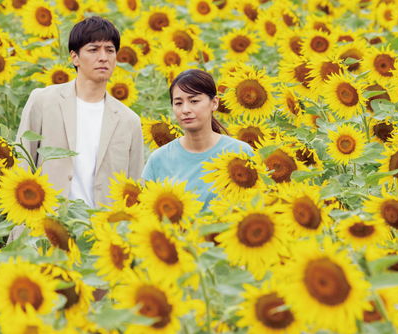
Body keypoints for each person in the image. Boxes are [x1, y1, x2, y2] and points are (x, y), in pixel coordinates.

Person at [16, 16, 145, 208]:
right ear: (74, 57)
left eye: (110, 50)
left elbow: (134, 187)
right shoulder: (43, 101)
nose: (103, 57)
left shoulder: (129, 121)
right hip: (46, 224)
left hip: (101, 230)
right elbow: (22, 164)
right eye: (93, 50)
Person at [141, 69, 255, 204]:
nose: (185, 110)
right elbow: (147, 213)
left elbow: (254, 204)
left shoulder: (240, 152)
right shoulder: (159, 160)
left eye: (194, 101)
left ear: (214, 103)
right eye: (178, 103)